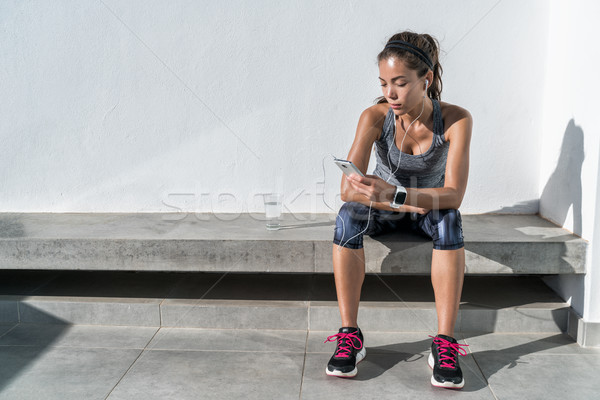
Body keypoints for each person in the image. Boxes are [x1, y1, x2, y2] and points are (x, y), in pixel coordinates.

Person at [324, 31, 472, 389]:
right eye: (384, 83)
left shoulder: (455, 120)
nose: (390, 93)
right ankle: (350, 334)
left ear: (427, 79)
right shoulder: (375, 116)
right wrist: (393, 198)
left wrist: (400, 194)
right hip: (389, 207)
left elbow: (453, 195)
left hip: (430, 209)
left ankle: (445, 342)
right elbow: (348, 188)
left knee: (449, 220)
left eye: (400, 83)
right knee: (347, 219)